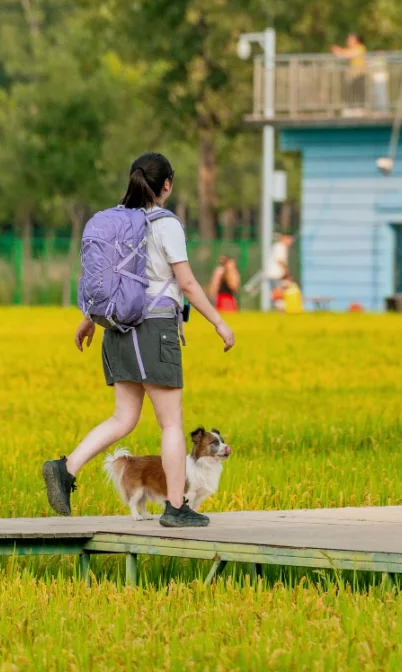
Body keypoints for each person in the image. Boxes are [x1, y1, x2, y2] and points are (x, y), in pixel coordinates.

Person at [41, 153, 235, 528]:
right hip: (153, 329)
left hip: (116, 328)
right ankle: (176, 507)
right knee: (171, 425)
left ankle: (65, 468)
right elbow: (189, 284)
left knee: (124, 417)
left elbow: (114, 277)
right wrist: (219, 323)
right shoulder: (166, 225)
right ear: (167, 185)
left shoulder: (118, 220)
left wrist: (88, 320)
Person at [264, 232, 294, 303]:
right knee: (278, 293)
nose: (291, 242)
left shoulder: (277, 246)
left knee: (276, 292)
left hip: (273, 274)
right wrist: (287, 272)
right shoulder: (281, 247)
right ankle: (279, 308)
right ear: (284, 238)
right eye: (289, 239)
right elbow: (280, 261)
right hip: (276, 274)